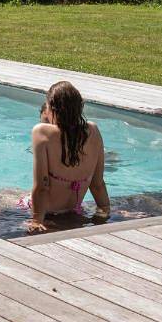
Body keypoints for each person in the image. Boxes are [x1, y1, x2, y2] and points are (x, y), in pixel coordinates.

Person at [20, 80, 110, 233]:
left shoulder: (42, 132)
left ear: (51, 108)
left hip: (43, 211)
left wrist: (36, 220)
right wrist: (104, 210)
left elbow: (42, 187)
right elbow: (97, 183)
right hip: (74, 209)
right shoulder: (93, 131)